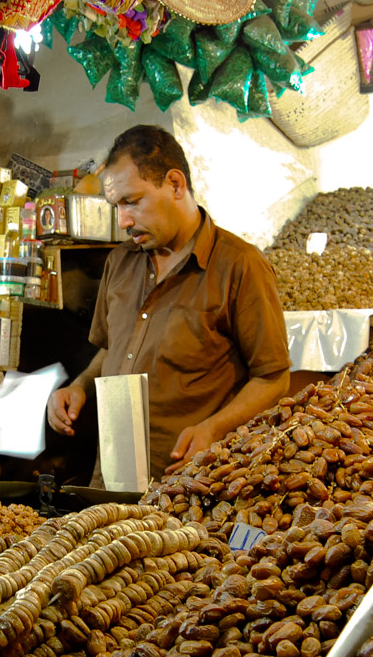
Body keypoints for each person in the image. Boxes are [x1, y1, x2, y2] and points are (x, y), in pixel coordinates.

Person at [46, 125, 290, 482]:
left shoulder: (239, 265)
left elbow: (273, 378)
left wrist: (215, 428)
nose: (124, 220)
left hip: (191, 484)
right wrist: (79, 386)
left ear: (175, 184)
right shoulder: (120, 262)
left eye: (132, 201)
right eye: (117, 206)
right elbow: (115, 345)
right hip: (116, 477)